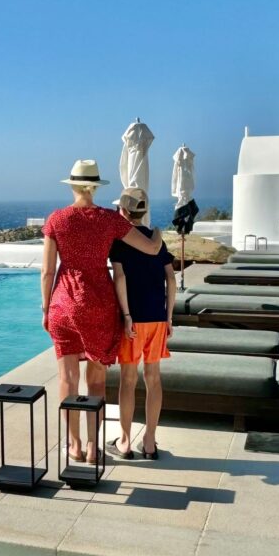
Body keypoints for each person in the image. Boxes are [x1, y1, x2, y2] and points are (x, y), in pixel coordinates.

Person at [41, 160, 164, 464]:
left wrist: (46, 308)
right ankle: (95, 447)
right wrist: (159, 231)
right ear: (95, 187)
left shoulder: (56, 219)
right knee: (95, 379)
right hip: (98, 304)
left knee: (67, 379)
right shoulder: (109, 220)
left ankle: (74, 445)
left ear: (72, 186)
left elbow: (46, 272)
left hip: (63, 304)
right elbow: (150, 248)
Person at [108, 188, 176, 460]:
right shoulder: (157, 241)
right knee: (153, 379)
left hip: (133, 320)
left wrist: (125, 315)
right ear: (143, 211)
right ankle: (149, 442)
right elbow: (171, 279)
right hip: (157, 318)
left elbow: (120, 278)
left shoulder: (120, 242)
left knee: (127, 380)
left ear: (122, 211)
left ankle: (124, 442)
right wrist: (169, 316)